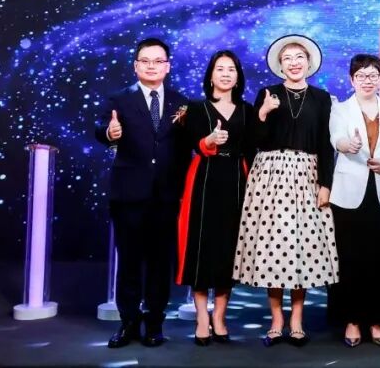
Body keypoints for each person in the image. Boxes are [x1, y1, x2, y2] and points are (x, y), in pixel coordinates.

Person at [233, 35, 337, 348]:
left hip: (307, 175)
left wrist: (326, 184)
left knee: (300, 248)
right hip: (270, 177)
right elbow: (254, 140)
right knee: (273, 249)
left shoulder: (322, 98)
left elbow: (325, 145)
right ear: (280, 65)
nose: (294, 63)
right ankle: (277, 320)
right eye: (287, 58)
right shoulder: (267, 93)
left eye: (299, 57)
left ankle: (297, 321)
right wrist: (263, 112)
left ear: (309, 63)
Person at [94, 37, 189, 348]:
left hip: (167, 196)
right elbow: (100, 129)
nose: (151, 66)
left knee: (161, 263)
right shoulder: (118, 99)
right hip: (128, 196)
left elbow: (187, 145)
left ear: (168, 66)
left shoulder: (181, 103)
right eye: (145, 61)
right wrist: (110, 133)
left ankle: (155, 323)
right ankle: (128, 323)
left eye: (158, 61)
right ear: (135, 66)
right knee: (130, 262)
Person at [175, 50, 259, 346]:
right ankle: (201, 317)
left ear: (238, 77)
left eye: (231, 69)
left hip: (237, 179)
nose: (225, 74)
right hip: (204, 179)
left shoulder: (247, 110)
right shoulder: (195, 108)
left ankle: (220, 317)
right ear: (210, 75)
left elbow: (253, 147)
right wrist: (208, 141)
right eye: (220, 68)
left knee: (228, 249)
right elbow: (190, 144)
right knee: (201, 248)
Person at [328, 54, 380, 348]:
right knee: (350, 258)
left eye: (373, 75)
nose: (367, 80)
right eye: (361, 75)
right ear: (351, 80)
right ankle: (351, 319)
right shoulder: (340, 109)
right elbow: (336, 139)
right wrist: (347, 145)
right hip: (349, 195)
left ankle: (378, 320)